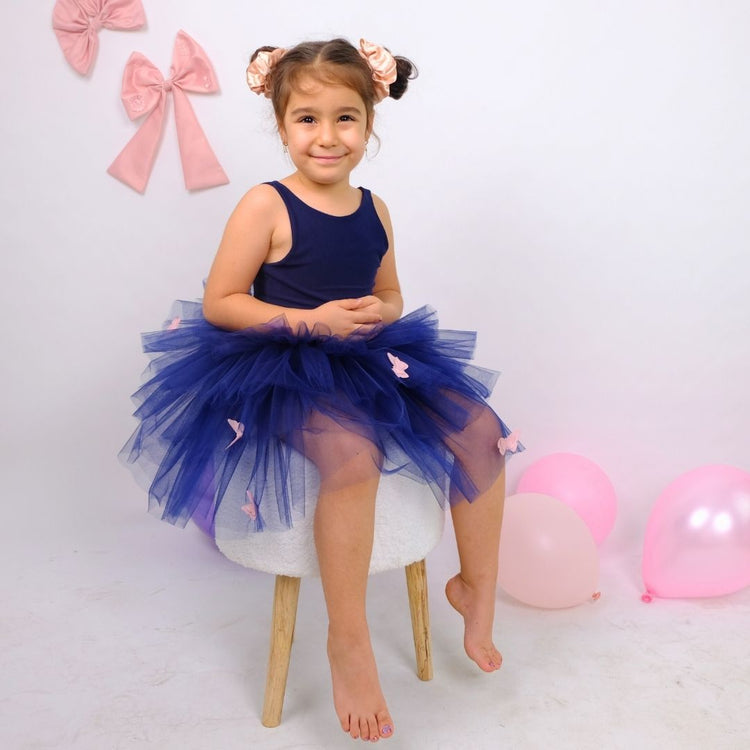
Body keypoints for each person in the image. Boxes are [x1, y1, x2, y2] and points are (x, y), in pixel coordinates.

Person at [122, 37, 523, 742]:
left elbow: (391, 292)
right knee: (352, 455)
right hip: (283, 364)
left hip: (368, 353)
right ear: (281, 125)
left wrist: (379, 314)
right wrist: (310, 321)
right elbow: (222, 301)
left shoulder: (375, 208)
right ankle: (348, 638)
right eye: (308, 119)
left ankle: (475, 587)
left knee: (482, 429)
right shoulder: (266, 204)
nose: (328, 136)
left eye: (346, 118)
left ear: (370, 123)